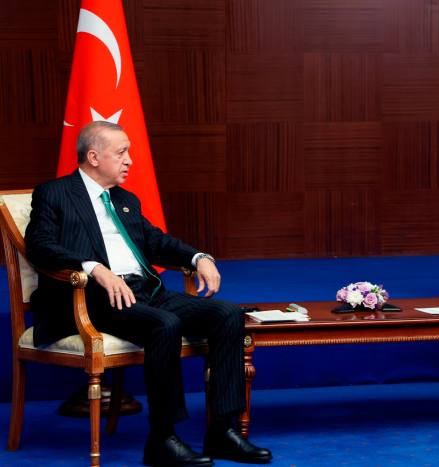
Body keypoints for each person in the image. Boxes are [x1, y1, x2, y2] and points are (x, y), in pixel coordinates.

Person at [25, 121, 272, 466]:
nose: (129, 160)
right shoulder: (55, 193)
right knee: (164, 324)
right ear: (94, 156)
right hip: (94, 297)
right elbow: (39, 246)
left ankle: (222, 432)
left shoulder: (125, 199)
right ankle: (163, 438)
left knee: (227, 315)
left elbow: (155, 242)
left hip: (142, 290)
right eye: (121, 152)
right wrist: (93, 267)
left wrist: (198, 257)